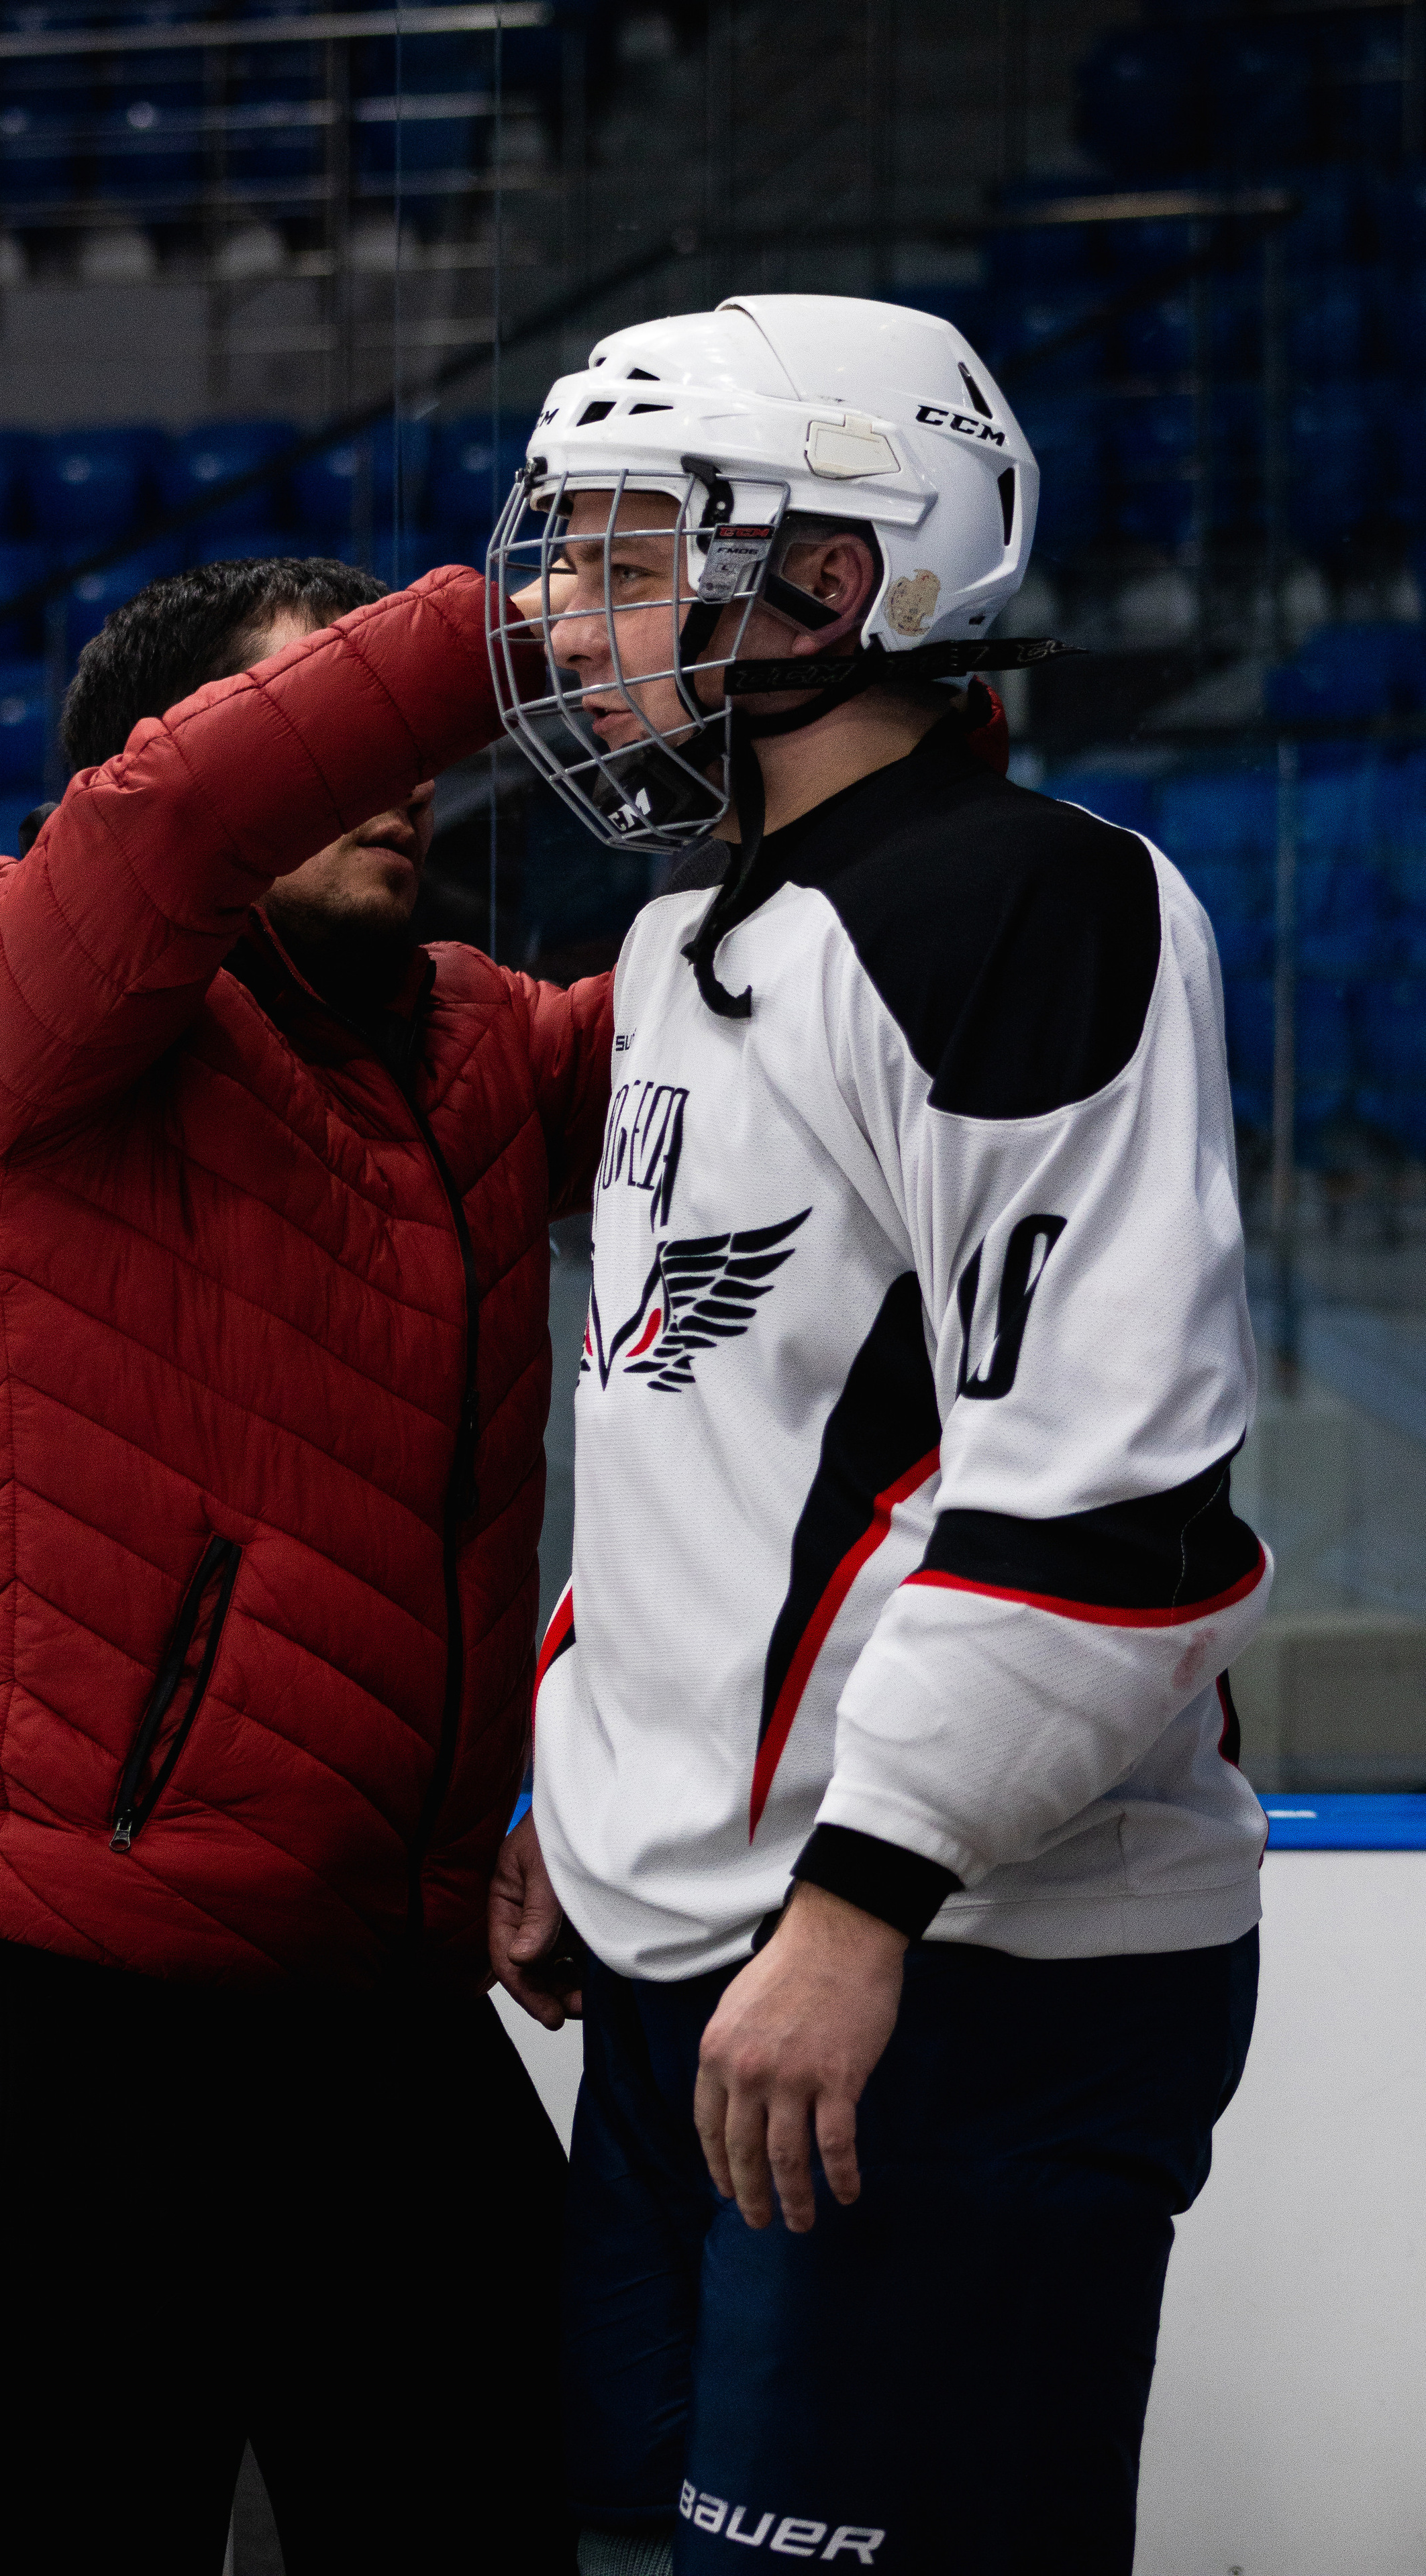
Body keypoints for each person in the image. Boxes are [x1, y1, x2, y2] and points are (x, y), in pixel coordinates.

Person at [485, 295, 1272, 2575]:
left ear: (833, 583)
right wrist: (587, 1796)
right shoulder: (679, 949)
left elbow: (1112, 1499)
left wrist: (856, 1903)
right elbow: (704, 1434)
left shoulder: (1032, 902)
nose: (562, 618)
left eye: (630, 559)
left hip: (951, 1981)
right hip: (703, 1979)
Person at [0, 553, 612, 2575]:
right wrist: (533, 621)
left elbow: (768, 1042)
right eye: (332, 720)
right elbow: (178, 821)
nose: (404, 777)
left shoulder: (485, 1045)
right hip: (72, 2017)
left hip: (389, 2011)